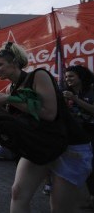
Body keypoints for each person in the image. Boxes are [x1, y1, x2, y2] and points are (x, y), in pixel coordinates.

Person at [0, 42, 92, 212]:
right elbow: (21, 120)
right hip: (40, 143)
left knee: (59, 207)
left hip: (70, 145)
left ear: (14, 62)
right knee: (18, 193)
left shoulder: (39, 76)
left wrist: (9, 100)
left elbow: (48, 113)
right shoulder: (10, 88)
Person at [63, 65, 94, 208]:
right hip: (77, 135)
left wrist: (76, 100)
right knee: (85, 167)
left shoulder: (91, 90)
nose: (67, 79)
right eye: (66, 76)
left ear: (81, 77)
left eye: (71, 76)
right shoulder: (65, 92)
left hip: (91, 132)